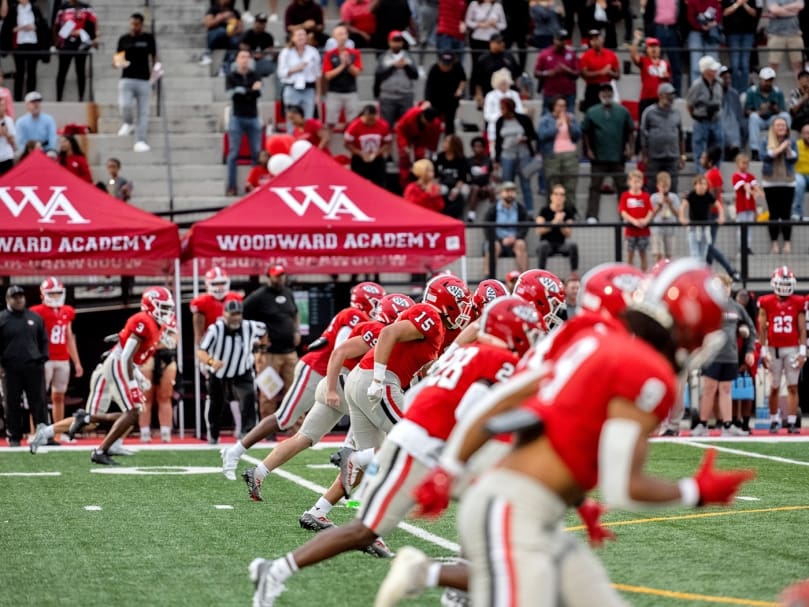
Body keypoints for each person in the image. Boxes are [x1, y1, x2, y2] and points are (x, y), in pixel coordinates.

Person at [392, 259, 752, 607]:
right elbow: (621, 487)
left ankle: (428, 574)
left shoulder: (591, 339)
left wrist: (450, 468)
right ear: (691, 326)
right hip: (513, 510)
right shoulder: (644, 370)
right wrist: (695, 491)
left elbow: (502, 400)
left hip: (521, 504)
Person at [247, 296, 533, 607]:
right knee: (484, 505)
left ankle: (281, 562)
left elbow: (439, 381)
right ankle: (362, 462)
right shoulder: (496, 358)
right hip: (424, 442)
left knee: (374, 528)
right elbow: (474, 410)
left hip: (422, 434)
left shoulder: (468, 350)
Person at [224, 282, 384, 483]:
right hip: (318, 370)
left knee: (356, 412)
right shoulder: (355, 316)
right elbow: (340, 350)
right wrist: (333, 387)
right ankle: (234, 451)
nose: (379, 309)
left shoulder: (360, 318)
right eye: (377, 303)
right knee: (284, 419)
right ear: (365, 302)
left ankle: (347, 458)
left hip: (333, 374)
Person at [34, 288, 176, 463]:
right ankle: (98, 447)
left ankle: (100, 437)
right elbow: (125, 355)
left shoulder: (154, 325)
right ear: (149, 306)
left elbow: (130, 353)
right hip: (113, 366)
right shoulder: (144, 321)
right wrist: (133, 386)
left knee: (108, 418)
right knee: (133, 410)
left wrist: (138, 376)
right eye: (163, 308)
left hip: (117, 365)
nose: (167, 313)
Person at [693, 272, 756, 436]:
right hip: (712, 355)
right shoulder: (708, 305)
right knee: (709, 388)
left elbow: (751, 329)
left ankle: (728, 425)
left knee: (726, 389)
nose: (723, 290)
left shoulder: (736, 308)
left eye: (726, 286)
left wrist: (749, 349)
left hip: (730, 355)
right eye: (720, 287)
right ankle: (702, 424)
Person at [197, 299, 265, 444]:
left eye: (238, 314)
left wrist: (260, 349)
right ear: (224, 313)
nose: (235, 317)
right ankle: (213, 434)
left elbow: (264, 331)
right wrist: (211, 362)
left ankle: (247, 434)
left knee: (249, 399)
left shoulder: (250, 326)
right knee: (216, 403)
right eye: (232, 314)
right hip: (219, 373)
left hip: (242, 370)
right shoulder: (216, 329)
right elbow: (201, 351)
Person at [190, 266, 244, 439]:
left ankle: (241, 429)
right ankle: (213, 431)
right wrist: (202, 358)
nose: (220, 287)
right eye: (216, 283)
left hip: (234, 351)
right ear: (208, 284)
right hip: (213, 353)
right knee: (215, 395)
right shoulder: (202, 302)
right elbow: (198, 334)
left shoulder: (236, 298)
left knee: (237, 391)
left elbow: (242, 327)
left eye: (222, 282)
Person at [243, 265, 300, 420]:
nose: (279, 278)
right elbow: (242, 316)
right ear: (268, 277)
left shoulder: (288, 293)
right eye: (276, 276)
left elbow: (295, 314)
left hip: (289, 353)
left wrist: (296, 331)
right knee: (269, 393)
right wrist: (255, 339)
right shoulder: (258, 296)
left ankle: (296, 430)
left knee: (296, 391)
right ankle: (267, 432)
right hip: (268, 354)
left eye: (281, 275)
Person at [758, 265, 806, 434]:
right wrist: (763, 352)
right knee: (774, 386)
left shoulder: (799, 302)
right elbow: (762, 328)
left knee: (793, 386)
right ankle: (773, 420)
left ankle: (792, 422)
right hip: (773, 348)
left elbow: (801, 329)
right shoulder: (766, 301)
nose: (785, 288)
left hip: (792, 348)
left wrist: (802, 351)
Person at [29, 278, 83, 427]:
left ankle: (57, 431)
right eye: (51, 294)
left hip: (62, 359)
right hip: (44, 359)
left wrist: (77, 362)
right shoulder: (37, 312)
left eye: (58, 293)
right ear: (43, 295)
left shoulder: (67, 311)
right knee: (38, 396)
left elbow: (69, 337)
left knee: (59, 396)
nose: (55, 297)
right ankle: (36, 431)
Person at [0, 285, 48, 447]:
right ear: (8, 299)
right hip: (10, 367)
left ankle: (43, 435)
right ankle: (14, 436)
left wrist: (42, 358)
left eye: (21, 296)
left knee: (39, 402)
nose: (19, 299)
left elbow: (43, 340)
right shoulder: (2, 319)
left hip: (33, 366)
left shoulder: (35, 317)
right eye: (15, 297)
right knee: (12, 402)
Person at [582, 83, 634, 222]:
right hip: (598, 156)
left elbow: (630, 130)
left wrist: (630, 148)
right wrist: (588, 149)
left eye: (609, 92)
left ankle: (625, 215)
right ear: (599, 95)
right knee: (595, 186)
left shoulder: (622, 111)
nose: (606, 95)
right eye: (603, 92)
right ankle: (592, 215)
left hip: (618, 156)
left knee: (622, 187)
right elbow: (585, 132)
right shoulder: (592, 112)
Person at [115, 12, 158, 153]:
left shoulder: (148, 38)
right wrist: (121, 63)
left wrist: (156, 70)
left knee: (143, 112)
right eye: (132, 24)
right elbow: (117, 59)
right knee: (125, 105)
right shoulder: (124, 39)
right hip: (127, 77)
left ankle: (140, 140)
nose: (134, 27)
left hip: (144, 79)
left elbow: (154, 56)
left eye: (137, 24)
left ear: (141, 24)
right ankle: (128, 123)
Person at [225, 49, 263, 196]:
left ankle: (254, 185)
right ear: (237, 60)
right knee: (233, 153)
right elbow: (233, 96)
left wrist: (243, 91)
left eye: (247, 57)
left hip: (253, 116)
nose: (245, 59)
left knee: (256, 153)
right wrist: (249, 91)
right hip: (237, 117)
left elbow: (257, 93)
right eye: (242, 57)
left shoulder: (255, 75)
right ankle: (231, 186)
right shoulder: (231, 76)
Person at [760, 116, 797, 254]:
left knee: (786, 213)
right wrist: (780, 148)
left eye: (783, 125)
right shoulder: (765, 141)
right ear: (773, 128)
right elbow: (765, 156)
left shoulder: (791, 142)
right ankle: (774, 243)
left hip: (788, 182)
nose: (781, 128)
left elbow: (794, 159)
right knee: (774, 213)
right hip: (770, 182)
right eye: (778, 125)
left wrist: (787, 149)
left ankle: (787, 242)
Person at [493, 97, 537, 212]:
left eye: (503, 108)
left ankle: (530, 211)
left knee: (525, 183)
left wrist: (525, 139)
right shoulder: (500, 121)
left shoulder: (523, 119)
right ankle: (507, 209)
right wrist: (497, 159)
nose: (501, 110)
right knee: (507, 184)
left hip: (523, 155)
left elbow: (533, 135)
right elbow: (498, 141)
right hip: (507, 156)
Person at [640, 82, 685, 193]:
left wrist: (682, 156)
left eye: (673, 95)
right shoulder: (649, 112)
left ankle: (672, 209)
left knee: (673, 186)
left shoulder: (677, 113)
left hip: (672, 156)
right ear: (660, 95)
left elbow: (681, 135)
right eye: (668, 95)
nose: (671, 98)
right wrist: (645, 155)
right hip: (654, 156)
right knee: (651, 185)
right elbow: (643, 134)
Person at [0, 0, 49, 102]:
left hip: (33, 43)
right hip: (19, 43)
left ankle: (31, 97)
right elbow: (7, 26)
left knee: (32, 71)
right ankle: (18, 98)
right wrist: (18, 28)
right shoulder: (14, 9)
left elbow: (42, 25)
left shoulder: (35, 8)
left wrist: (34, 27)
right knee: (20, 71)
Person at [537, 96, 580, 211]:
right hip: (552, 156)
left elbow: (577, 135)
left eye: (564, 105)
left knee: (570, 185)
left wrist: (569, 124)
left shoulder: (571, 118)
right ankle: (552, 212)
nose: (562, 108)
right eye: (559, 105)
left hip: (570, 155)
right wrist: (556, 126)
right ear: (553, 106)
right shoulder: (545, 119)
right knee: (553, 185)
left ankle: (570, 212)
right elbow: (542, 136)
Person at [52, 0, 98, 102]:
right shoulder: (63, 7)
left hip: (81, 42)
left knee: (80, 70)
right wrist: (55, 42)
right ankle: (58, 98)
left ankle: (81, 98)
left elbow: (94, 22)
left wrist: (94, 38)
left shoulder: (86, 7)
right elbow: (56, 25)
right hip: (66, 43)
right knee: (62, 70)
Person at [374, 30, 418, 130]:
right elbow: (379, 74)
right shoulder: (383, 57)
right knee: (385, 127)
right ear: (389, 42)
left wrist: (406, 66)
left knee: (407, 127)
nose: (397, 43)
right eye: (394, 40)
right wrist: (393, 66)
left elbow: (415, 75)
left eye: (399, 41)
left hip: (405, 96)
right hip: (388, 96)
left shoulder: (408, 57)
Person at [687, 55, 723, 174]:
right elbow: (690, 104)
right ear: (706, 71)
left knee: (717, 149)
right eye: (713, 69)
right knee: (700, 151)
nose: (715, 71)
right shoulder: (696, 85)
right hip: (701, 120)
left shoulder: (719, 83)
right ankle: (702, 178)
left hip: (716, 120)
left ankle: (715, 175)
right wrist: (697, 115)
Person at [484, 181, 530, 274]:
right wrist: (500, 240)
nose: (510, 194)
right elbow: (487, 228)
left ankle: (524, 277)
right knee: (493, 246)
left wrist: (516, 237)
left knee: (521, 244)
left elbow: (524, 228)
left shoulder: (521, 209)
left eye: (512, 191)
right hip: (498, 240)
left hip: (515, 241)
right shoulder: (493, 209)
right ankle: (489, 278)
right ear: (501, 193)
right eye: (507, 191)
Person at [745, 67, 791, 161]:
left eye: (770, 80)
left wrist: (775, 108)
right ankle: (755, 151)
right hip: (759, 119)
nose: (768, 83)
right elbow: (746, 111)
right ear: (760, 80)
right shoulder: (752, 91)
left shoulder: (778, 92)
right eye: (766, 80)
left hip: (772, 119)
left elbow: (782, 110)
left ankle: (785, 144)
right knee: (753, 117)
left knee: (785, 116)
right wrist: (759, 112)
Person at [322, 24, 362, 130]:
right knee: (330, 122)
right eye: (339, 34)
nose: (342, 37)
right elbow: (328, 75)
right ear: (334, 37)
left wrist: (348, 64)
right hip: (334, 92)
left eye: (344, 34)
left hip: (351, 92)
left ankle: (350, 141)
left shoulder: (355, 53)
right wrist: (342, 66)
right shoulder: (329, 54)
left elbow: (357, 73)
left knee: (353, 122)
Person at [277, 27, 321, 120]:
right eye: (299, 35)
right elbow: (281, 73)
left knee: (309, 120)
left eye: (303, 35)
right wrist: (294, 69)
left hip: (309, 89)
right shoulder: (286, 52)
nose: (301, 37)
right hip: (292, 88)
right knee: (292, 119)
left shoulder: (313, 52)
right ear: (293, 38)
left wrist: (318, 94)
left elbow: (317, 74)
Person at [343, 104, 391, 188]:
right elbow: (347, 144)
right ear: (363, 116)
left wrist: (377, 153)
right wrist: (360, 153)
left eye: (373, 120)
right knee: (357, 184)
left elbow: (388, 143)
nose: (370, 122)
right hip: (359, 158)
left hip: (377, 158)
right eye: (368, 120)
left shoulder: (383, 125)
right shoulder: (354, 126)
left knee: (379, 185)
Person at [533, 28, 579, 115]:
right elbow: (536, 72)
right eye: (560, 39)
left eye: (564, 40)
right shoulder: (544, 54)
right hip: (550, 93)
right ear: (554, 40)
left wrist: (567, 70)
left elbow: (577, 74)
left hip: (568, 93)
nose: (562, 42)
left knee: (569, 119)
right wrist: (548, 73)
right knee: (547, 119)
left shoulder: (572, 54)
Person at [394, 104, 441, 188]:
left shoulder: (435, 124)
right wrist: (404, 145)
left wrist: (431, 151)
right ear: (422, 115)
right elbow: (400, 129)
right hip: (407, 135)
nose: (427, 123)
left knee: (421, 159)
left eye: (429, 123)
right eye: (425, 121)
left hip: (422, 139)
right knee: (404, 159)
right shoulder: (411, 114)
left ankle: (420, 184)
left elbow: (434, 140)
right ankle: (405, 186)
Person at [535, 184, 578, 275]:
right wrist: (554, 222)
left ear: (565, 197)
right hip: (547, 243)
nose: (559, 197)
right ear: (551, 196)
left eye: (562, 194)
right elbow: (539, 230)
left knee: (573, 245)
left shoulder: (568, 212)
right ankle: (541, 273)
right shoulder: (544, 210)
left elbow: (568, 234)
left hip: (561, 244)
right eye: (556, 194)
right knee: (543, 246)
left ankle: (574, 272)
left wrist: (561, 222)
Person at [470, 32, 521, 108]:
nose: (502, 44)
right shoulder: (483, 59)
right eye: (499, 42)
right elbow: (477, 80)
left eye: (502, 42)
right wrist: (479, 96)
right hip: (489, 94)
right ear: (491, 43)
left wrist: (519, 91)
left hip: (507, 94)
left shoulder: (509, 56)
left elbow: (516, 75)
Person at [618, 169, 654, 271]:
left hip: (643, 230)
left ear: (642, 182)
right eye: (634, 181)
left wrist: (646, 220)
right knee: (630, 254)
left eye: (638, 182)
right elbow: (623, 211)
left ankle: (644, 274)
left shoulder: (645, 196)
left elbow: (650, 210)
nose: (636, 184)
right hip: (630, 231)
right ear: (629, 182)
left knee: (643, 254)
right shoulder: (625, 196)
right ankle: (629, 273)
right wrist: (633, 221)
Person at [630, 33, 671, 120]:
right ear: (647, 49)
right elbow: (634, 56)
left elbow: (669, 82)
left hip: (661, 99)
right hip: (646, 98)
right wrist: (636, 41)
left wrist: (667, 76)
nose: (654, 49)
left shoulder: (665, 64)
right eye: (651, 46)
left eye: (655, 46)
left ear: (659, 49)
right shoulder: (644, 61)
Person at [721, 0, 760, 94]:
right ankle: (734, 91)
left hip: (748, 33)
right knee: (735, 64)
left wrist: (745, 4)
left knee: (745, 64)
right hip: (732, 33)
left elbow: (754, 13)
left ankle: (744, 91)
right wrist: (737, 4)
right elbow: (725, 13)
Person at [423, 52, 466, 135]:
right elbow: (428, 86)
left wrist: (460, 90)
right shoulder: (434, 68)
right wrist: (427, 100)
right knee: (435, 122)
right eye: (444, 64)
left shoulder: (457, 67)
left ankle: (449, 142)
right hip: (436, 99)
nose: (446, 67)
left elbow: (463, 79)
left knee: (450, 123)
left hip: (451, 99)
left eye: (448, 65)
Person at [680, 174, 720, 261]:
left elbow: (718, 205)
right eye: (700, 184)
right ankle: (696, 272)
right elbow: (683, 206)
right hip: (693, 228)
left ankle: (701, 272)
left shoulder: (708, 195)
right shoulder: (691, 195)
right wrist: (682, 218)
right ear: (695, 185)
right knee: (695, 254)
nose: (702, 186)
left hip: (705, 227)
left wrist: (722, 217)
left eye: (704, 184)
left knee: (703, 254)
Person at [578, 29, 620, 114]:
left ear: (602, 39)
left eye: (597, 38)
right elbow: (584, 74)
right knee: (591, 113)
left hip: (607, 87)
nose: (595, 41)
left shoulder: (611, 54)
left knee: (609, 112)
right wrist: (600, 72)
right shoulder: (586, 56)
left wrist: (609, 73)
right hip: (592, 87)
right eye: (592, 39)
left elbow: (617, 75)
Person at [483, 67, 524, 150]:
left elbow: (520, 110)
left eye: (506, 82)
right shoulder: (490, 96)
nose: (505, 85)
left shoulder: (514, 94)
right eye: (502, 83)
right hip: (495, 130)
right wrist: (502, 116)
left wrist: (511, 116)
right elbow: (487, 115)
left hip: (513, 129)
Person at [685, 0, 722, 86]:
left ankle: (713, 90)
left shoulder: (714, 1)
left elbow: (718, 13)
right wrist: (700, 26)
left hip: (712, 31)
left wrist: (713, 23)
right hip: (695, 31)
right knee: (696, 66)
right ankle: (696, 91)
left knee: (713, 64)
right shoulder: (692, 1)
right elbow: (690, 17)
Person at [434, 134, 469, 219]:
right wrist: (436, 186)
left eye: (447, 142)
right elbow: (436, 176)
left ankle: (459, 214)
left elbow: (462, 178)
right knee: (440, 190)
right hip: (443, 183)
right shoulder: (440, 157)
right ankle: (441, 214)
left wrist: (456, 189)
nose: (444, 144)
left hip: (457, 184)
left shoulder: (461, 159)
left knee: (464, 191)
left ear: (453, 145)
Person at [731, 152, 761, 253]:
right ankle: (742, 246)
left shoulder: (751, 176)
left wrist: (759, 191)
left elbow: (755, 185)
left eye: (746, 163)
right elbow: (745, 187)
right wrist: (754, 192)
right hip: (741, 206)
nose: (745, 165)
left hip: (750, 206)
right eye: (743, 163)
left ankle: (748, 246)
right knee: (741, 227)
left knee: (749, 227)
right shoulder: (735, 176)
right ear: (737, 163)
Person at [200, 0, 242, 70]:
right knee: (222, 31)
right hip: (215, 35)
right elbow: (207, 24)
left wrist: (233, 25)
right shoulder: (213, 9)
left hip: (229, 37)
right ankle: (207, 53)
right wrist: (221, 18)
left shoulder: (234, 12)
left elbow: (240, 29)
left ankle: (227, 63)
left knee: (236, 40)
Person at [765, 0, 804, 76]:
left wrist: (781, 9)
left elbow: (800, 5)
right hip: (776, 34)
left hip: (794, 34)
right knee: (773, 66)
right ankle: (771, 88)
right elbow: (774, 10)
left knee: (798, 65)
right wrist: (792, 12)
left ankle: (800, 88)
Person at [649, 170, 680, 263]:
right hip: (657, 229)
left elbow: (678, 214)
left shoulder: (674, 197)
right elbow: (650, 215)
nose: (665, 189)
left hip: (670, 230)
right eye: (663, 186)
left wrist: (670, 205)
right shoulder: (654, 197)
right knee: (657, 254)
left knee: (669, 256)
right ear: (658, 186)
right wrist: (659, 204)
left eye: (667, 186)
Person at [719, 64, 744, 161]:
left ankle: (734, 146)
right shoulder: (714, 91)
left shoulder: (734, 93)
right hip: (717, 120)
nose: (727, 80)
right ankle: (728, 147)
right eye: (724, 78)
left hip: (733, 122)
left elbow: (738, 114)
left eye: (729, 77)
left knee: (734, 120)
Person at [466, 136, 495, 222]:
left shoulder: (488, 160)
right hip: (473, 186)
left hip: (485, 185)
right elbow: (466, 176)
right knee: (476, 188)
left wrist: (487, 185)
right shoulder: (469, 161)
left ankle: (493, 212)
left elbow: (490, 175)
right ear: (472, 148)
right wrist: (470, 184)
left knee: (490, 189)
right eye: (475, 146)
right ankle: (471, 214)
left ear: (483, 148)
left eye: (480, 146)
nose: (478, 149)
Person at [238, 12, 276, 78]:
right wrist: (253, 55)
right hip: (250, 59)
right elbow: (242, 49)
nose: (262, 25)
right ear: (255, 23)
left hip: (262, 60)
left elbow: (271, 51)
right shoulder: (248, 34)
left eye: (263, 23)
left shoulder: (268, 36)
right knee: (249, 62)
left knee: (271, 61)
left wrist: (263, 54)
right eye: (260, 23)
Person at [792, 124, 809, 219]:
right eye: (806, 133)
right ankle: (797, 214)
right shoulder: (796, 145)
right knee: (799, 183)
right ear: (802, 135)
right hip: (799, 174)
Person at [0, 96, 16, 175]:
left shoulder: (8, 120)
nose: (3, 108)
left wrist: (6, 134)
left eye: (3, 105)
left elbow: (13, 142)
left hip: (7, 156)